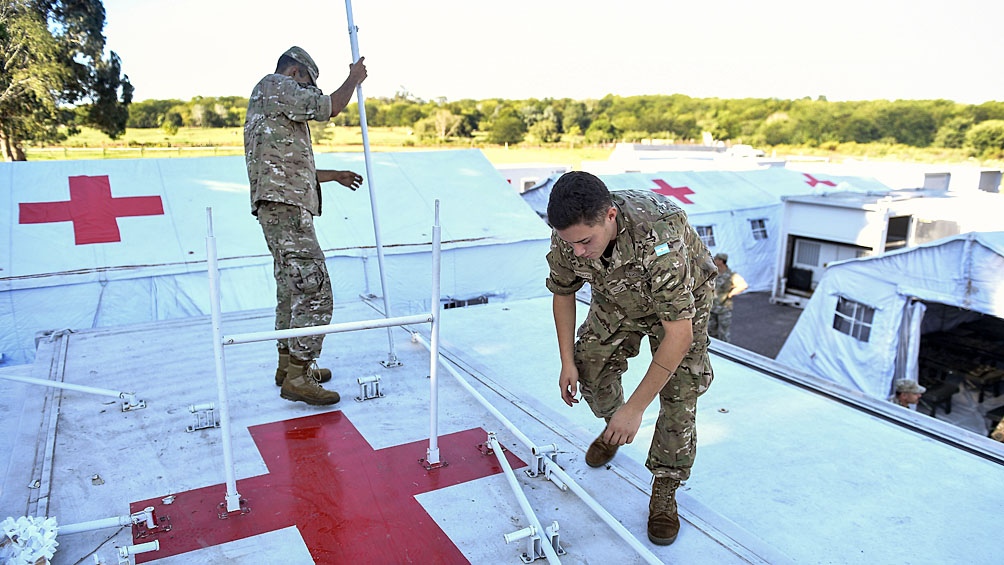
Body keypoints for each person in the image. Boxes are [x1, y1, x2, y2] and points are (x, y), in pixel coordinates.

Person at [545, 171, 717, 546]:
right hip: (618, 294)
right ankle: (614, 429)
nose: (577, 251)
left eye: (584, 242)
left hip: (681, 306)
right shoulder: (570, 234)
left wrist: (636, 407)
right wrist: (566, 361)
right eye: (568, 242)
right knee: (588, 369)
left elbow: (679, 334)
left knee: (679, 393)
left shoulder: (659, 234)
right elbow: (563, 291)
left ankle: (666, 487)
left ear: (609, 216)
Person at [244, 46, 367, 406]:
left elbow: (286, 166)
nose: (310, 91)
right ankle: (300, 373)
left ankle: (287, 365)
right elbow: (328, 107)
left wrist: (334, 176)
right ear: (297, 73)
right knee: (315, 289)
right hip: (286, 209)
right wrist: (353, 79)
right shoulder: (275, 84)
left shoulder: (270, 105)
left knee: (291, 288)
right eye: (308, 84)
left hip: (277, 206)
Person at [709, 252, 747, 343]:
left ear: (721, 261)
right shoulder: (714, 272)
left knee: (724, 333)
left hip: (724, 308)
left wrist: (730, 294)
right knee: (711, 331)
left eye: (716, 259)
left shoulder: (731, 275)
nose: (714, 260)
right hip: (712, 307)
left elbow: (743, 285)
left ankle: (724, 352)